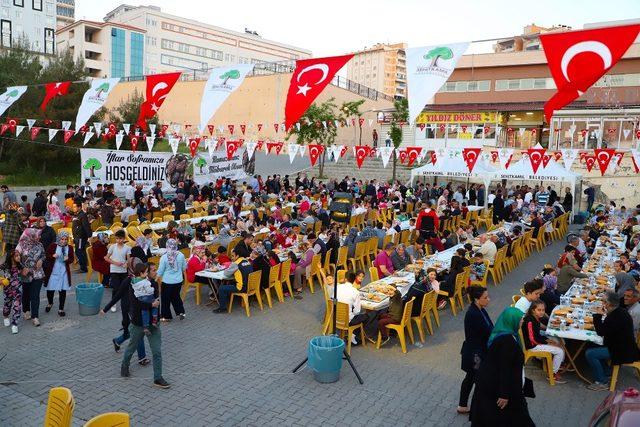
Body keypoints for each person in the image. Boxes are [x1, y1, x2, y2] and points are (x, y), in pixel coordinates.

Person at [471, 307, 535, 426]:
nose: (522, 322)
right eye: (520, 319)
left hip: (498, 386)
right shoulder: (507, 342)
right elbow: (504, 369)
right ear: (512, 320)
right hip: (500, 388)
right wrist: (504, 394)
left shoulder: (508, 335)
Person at [119, 262, 169, 389]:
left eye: (154, 270)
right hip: (138, 323)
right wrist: (151, 305)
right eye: (151, 270)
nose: (154, 272)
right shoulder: (133, 286)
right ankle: (124, 366)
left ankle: (158, 378)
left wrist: (156, 316)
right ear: (142, 272)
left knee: (157, 351)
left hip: (153, 324)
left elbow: (156, 301)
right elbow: (136, 305)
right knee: (131, 347)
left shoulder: (153, 284)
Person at [586, 291, 640, 390]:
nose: (602, 303)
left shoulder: (617, 316)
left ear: (608, 303)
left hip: (622, 350)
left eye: (603, 301)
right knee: (591, 345)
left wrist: (597, 315)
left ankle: (602, 382)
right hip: (620, 345)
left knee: (590, 353)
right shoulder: (618, 311)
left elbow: (601, 332)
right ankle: (607, 372)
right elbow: (607, 329)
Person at [458, 286, 493, 414]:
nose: (488, 299)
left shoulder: (480, 310)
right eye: (485, 297)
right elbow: (487, 331)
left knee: (471, 379)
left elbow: (490, 327)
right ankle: (476, 408)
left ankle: (463, 405)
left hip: (476, 351)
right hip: (475, 354)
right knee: (477, 380)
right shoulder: (473, 314)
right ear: (477, 299)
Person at [521, 300, 567, 384]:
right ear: (533, 310)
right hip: (532, 346)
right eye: (539, 310)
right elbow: (532, 339)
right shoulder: (530, 321)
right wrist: (548, 342)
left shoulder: (535, 317)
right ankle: (552, 374)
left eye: (543, 310)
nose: (542, 312)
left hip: (536, 341)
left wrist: (549, 336)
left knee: (559, 340)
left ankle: (558, 364)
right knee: (559, 350)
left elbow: (539, 328)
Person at [17, 228, 45, 327]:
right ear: (30, 236)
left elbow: (43, 255)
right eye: (37, 235)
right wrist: (22, 268)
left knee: (35, 295)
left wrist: (41, 260)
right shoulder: (21, 246)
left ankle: (35, 317)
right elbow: (15, 259)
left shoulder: (40, 245)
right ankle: (26, 310)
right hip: (25, 275)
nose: (39, 237)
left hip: (38, 274)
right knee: (26, 294)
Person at [336, 271, 373, 345]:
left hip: (335, 318)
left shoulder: (337, 287)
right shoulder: (354, 291)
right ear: (354, 280)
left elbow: (331, 299)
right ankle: (354, 335)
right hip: (347, 320)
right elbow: (357, 311)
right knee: (367, 316)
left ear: (345, 279)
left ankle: (350, 333)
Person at [43, 231, 75, 317]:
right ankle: (50, 303)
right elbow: (47, 255)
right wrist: (52, 256)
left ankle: (61, 309)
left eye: (66, 239)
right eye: (62, 239)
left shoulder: (70, 248)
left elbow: (72, 259)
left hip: (64, 272)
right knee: (50, 289)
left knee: (63, 290)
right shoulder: (53, 246)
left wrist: (67, 259)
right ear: (59, 239)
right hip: (53, 272)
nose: (64, 241)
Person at [214, 248, 253, 313]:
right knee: (230, 283)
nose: (231, 258)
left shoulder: (235, 264)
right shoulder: (246, 261)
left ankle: (222, 308)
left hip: (242, 287)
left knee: (221, 288)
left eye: (233, 256)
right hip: (250, 285)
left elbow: (226, 274)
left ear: (237, 256)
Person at [157, 238, 187, 321]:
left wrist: (156, 278)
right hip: (178, 281)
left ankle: (166, 316)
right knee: (176, 297)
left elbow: (160, 271)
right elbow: (184, 267)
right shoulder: (181, 255)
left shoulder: (164, 257)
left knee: (166, 299)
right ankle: (181, 312)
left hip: (167, 281)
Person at [105, 230, 132, 313]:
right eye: (117, 239)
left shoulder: (127, 248)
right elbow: (106, 258)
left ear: (124, 238)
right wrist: (116, 263)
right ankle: (113, 303)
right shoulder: (112, 247)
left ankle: (125, 303)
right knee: (116, 288)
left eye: (120, 239)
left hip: (123, 271)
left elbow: (129, 259)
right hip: (114, 270)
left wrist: (126, 264)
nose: (119, 240)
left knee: (125, 288)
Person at [130, 262, 158, 336]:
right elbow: (151, 291)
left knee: (144, 311)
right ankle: (154, 320)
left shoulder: (133, 280)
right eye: (154, 270)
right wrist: (152, 289)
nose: (156, 272)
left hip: (140, 298)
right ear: (142, 273)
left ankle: (145, 327)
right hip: (147, 297)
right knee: (155, 304)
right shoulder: (146, 282)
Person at [2, 250, 25, 334]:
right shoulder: (5, 266)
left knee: (17, 306)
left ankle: (15, 324)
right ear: (11, 258)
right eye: (16, 256)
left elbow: (25, 273)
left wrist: (27, 271)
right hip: (7, 289)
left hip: (17, 289)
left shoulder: (20, 265)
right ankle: (5, 316)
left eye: (19, 255)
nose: (19, 257)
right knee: (7, 304)